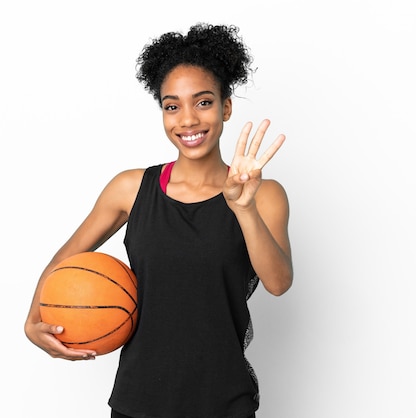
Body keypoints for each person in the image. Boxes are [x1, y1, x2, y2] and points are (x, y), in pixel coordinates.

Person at [25, 22, 293, 418]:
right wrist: (33, 322)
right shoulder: (130, 188)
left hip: (223, 401)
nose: (187, 119)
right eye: (172, 106)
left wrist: (244, 208)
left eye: (203, 102)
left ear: (227, 106)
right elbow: (62, 264)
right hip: (139, 401)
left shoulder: (263, 194)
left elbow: (278, 283)